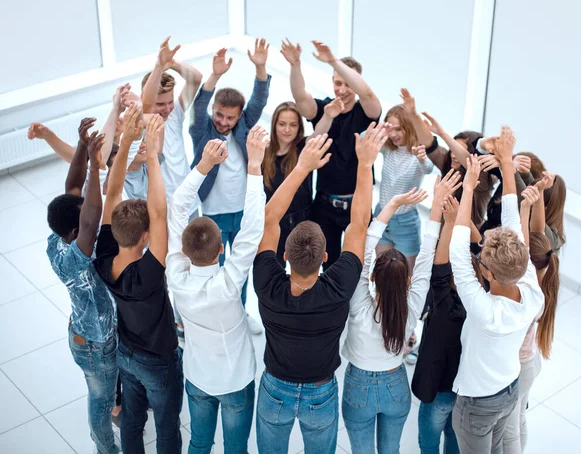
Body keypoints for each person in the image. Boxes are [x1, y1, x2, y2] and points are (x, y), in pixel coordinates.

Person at [253, 123, 388, 454]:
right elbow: (359, 225)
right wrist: (366, 164)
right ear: (326, 257)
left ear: (284, 255)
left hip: (274, 389)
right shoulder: (339, 285)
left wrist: (302, 167)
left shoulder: (266, 283)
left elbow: (269, 220)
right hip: (320, 392)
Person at [341, 169, 462, 454]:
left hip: (358, 384)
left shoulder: (358, 299)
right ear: (407, 280)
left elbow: (365, 246)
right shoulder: (413, 303)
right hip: (396, 385)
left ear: (371, 278)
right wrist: (437, 208)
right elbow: (426, 257)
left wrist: (391, 205)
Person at [165, 128, 268, 454]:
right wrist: (254, 167)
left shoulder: (176, 277)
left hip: (196, 379)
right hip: (235, 382)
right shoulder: (226, 286)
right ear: (222, 249)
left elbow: (178, 207)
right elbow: (252, 229)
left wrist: (203, 166)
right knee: (235, 448)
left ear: (183, 248)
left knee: (198, 442)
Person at [449, 127, 545, 454]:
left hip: (477, 405)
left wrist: (467, 190)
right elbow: (512, 222)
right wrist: (505, 161)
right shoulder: (532, 290)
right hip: (510, 391)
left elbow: (458, 252)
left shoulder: (486, 313)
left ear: (488, 273)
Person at [94, 105, 183, 454]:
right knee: (166, 426)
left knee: (131, 419)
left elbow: (112, 192)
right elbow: (159, 212)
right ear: (145, 237)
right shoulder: (147, 274)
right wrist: (153, 155)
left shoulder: (104, 258)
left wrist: (129, 141)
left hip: (126, 355)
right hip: (158, 360)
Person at [46, 118, 120, 454]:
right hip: (95, 344)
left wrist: (80, 146)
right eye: (83, 226)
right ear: (75, 234)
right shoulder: (76, 257)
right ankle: (106, 449)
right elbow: (90, 213)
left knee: (105, 394)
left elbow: (72, 187)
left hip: (81, 330)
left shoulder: (56, 236)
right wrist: (95, 166)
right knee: (101, 402)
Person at [189, 41, 271, 332]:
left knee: (240, 270)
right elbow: (199, 105)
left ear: (239, 116)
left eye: (230, 117)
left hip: (243, 213)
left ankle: (238, 313)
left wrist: (260, 66)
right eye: (219, 115)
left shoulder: (244, 127)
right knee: (215, 269)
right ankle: (216, 316)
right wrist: (214, 76)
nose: (223, 122)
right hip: (214, 214)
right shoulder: (202, 129)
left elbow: (259, 100)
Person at [281, 38, 381, 269]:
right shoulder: (324, 108)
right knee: (325, 264)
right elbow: (300, 96)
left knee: (358, 265)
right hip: (324, 204)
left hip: (357, 203)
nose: (342, 90)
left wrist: (334, 61)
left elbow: (367, 94)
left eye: (348, 84)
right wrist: (295, 65)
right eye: (338, 83)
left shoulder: (367, 111)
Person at [411, 196, 481, 454]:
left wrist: (450, 221)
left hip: (439, 389)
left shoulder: (444, 307)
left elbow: (438, 269)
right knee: (454, 437)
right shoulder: (479, 300)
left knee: (428, 442)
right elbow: (477, 245)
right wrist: (458, 218)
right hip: (463, 388)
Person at [503, 181, 560, 454]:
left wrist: (525, 207)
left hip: (521, 366)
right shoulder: (547, 277)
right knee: (520, 417)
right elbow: (535, 236)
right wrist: (535, 200)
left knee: (512, 427)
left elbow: (525, 243)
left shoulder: (528, 294)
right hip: (531, 361)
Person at [375, 89, 435, 273]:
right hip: (382, 215)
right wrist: (380, 132)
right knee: (381, 275)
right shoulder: (388, 149)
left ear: (408, 127)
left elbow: (429, 168)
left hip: (406, 222)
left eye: (398, 129)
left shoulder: (417, 152)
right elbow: (363, 139)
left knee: (405, 277)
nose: (394, 135)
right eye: (390, 129)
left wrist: (422, 158)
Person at [141, 36, 203, 203]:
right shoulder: (139, 123)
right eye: (160, 104)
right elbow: (146, 105)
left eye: (170, 102)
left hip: (188, 202)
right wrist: (158, 67)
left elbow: (196, 79)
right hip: (164, 206)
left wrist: (172, 63)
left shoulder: (175, 113)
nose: (167, 108)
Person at [262, 101, 312, 266]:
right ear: (274, 124)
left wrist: (327, 115)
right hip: (273, 224)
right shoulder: (264, 151)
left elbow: (321, 131)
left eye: (293, 125)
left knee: (303, 271)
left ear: (299, 127)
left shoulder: (304, 149)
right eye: (282, 124)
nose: (287, 130)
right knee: (275, 270)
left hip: (301, 222)